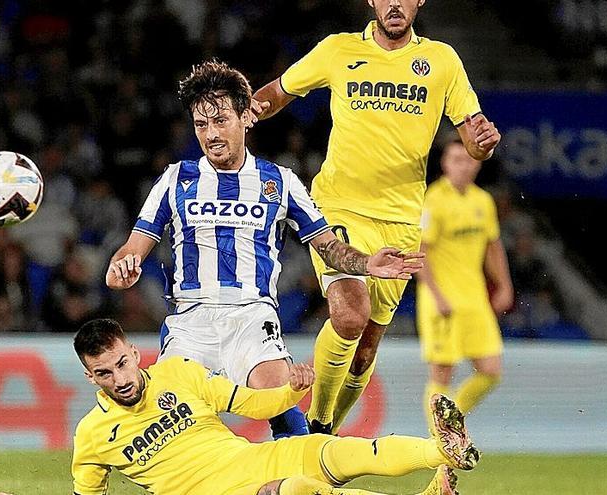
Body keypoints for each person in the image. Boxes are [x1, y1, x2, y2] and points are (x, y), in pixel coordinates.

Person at [106, 60, 424, 439]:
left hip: (252, 320)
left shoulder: (280, 181)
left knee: (282, 404)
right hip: (191, 321)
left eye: (220, 120)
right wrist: (121, 268)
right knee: (168, 432)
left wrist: (366, 264)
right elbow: (131, 249)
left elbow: (328, 247)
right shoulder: (177, 178)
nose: (211, 134)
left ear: (245, 116)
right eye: (201, 125)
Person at [251, 0, 502, 435]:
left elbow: (474, 138)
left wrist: (483, 143)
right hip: (338, 206)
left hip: (402, 220)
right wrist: (245, 114)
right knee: (350, 315)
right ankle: (318, 425)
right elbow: (278, 92)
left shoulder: (441, 61)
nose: (394, 4)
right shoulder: (338, 50)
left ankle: (325, 429)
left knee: (366, 349)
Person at [71, 318, 477, 495]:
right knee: (297, 490)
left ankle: (443, 451)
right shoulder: (92, 436)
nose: (120, 380)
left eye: (122, 363)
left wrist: (289, 393)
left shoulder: (177, 372)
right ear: (91, 378)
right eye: (104, 374)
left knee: (332, 449)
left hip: (250, 462)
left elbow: (250, 403)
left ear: (133, 352)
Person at [415, 139, 513, 427]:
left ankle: (449, 420)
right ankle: (440, 442)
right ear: (445, 163)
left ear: (478, 164)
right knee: (442, 372)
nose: (462, 165)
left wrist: (505, 285)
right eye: (456, 159)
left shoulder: (482, 200)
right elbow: (421, 253)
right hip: (441, 299)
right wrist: (436, 295)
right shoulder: (432, 200)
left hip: (474, 298)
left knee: (491, 370)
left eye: (468, 159)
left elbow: (493, 247)